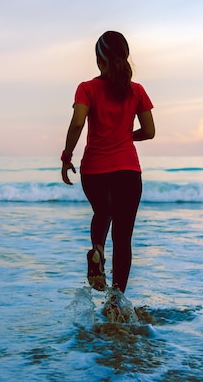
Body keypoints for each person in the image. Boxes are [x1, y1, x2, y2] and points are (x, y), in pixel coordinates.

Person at [60, 31, 155, 294]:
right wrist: (125, 135)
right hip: (128, 170)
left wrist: (66, 157)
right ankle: (116, 302)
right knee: (123, 239)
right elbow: (149, 131)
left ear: (98, 59)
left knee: (103, 211)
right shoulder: (136, 91)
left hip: (94, 169)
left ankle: (97, 251)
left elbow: (78, 122)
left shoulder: (87, 88)